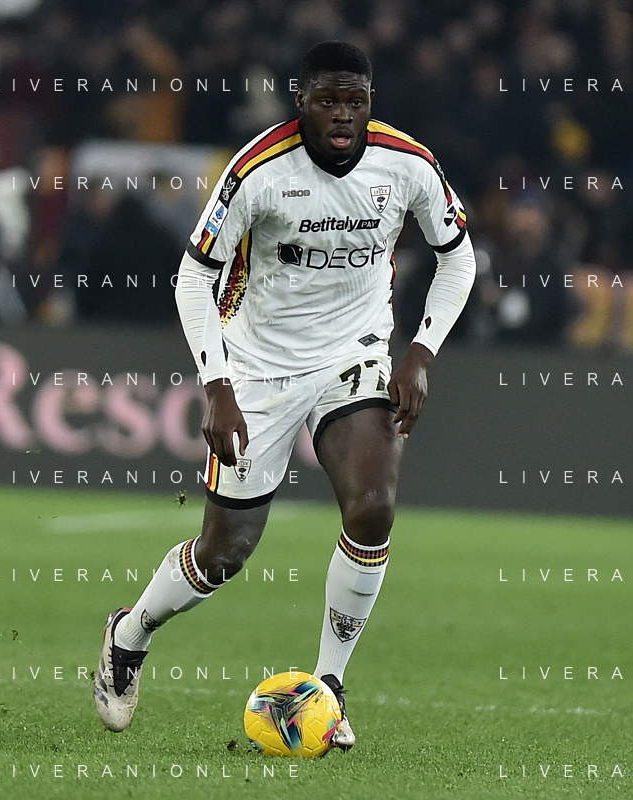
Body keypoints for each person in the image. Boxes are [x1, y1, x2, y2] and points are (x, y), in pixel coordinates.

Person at [94, 41, 476, 750]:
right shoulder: (256, 171)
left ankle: (329, 686)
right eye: (328, 100)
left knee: (373, 506)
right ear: (301, 100)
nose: (342, 114)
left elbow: (458, 258)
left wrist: (420, 354)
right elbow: (193, 278)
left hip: (355, 353)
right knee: (224, 553)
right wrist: (218, 386)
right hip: (257, 367)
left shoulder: (408, 164)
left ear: (370, 103)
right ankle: (130, 632)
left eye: (355, 101)